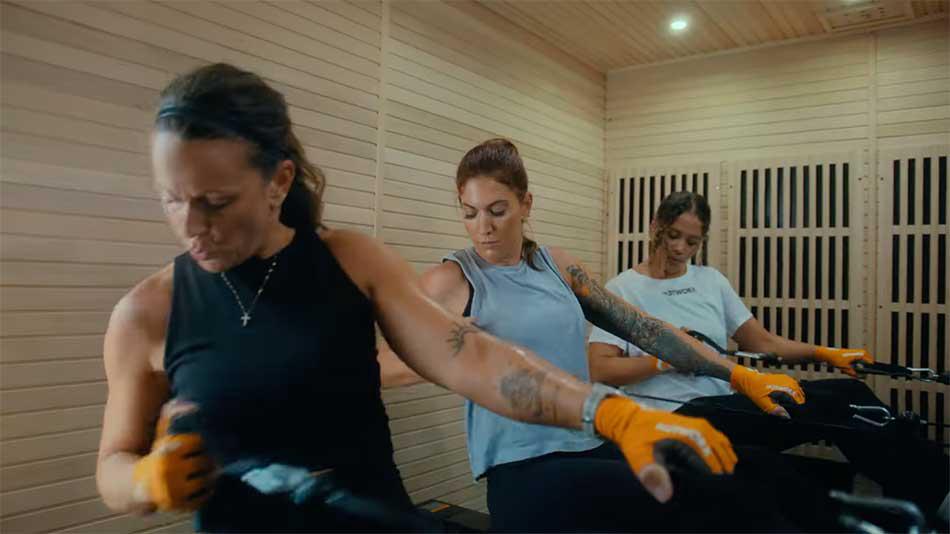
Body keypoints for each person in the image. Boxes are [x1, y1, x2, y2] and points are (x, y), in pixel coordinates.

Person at [95, 64, 740, 532]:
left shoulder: (351, 261)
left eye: (216, 201)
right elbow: (113, 466)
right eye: (172, 200)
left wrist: (610, 414)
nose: (191, 225)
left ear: (278, 181)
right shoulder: (147, 313)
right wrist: (144, 479)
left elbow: (470, 356)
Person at [379, 139, 820, 531]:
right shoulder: (452, 280)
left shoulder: (556, 266)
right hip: (525, 467)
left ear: (526, 204)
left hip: (589, 441)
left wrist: (738, 374)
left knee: (754, 470)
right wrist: (448, 352)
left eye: (497, 210)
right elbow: (380, 365)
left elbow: (644, 328)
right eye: (469, 212)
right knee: (708, 500)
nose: (483, 227)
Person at [588, 190, 950, 525]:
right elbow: (600, 368)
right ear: (654, 226)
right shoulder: (623, 289)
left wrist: (824, 353)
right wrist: (668, 357)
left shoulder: (710, 280)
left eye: (692, 241)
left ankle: (931, 498)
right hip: (675, 418)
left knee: (849, 398)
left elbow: (762, 342)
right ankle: (935, 495)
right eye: (672, 235)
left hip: (726, 407)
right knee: (832, 412)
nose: (680, 248)